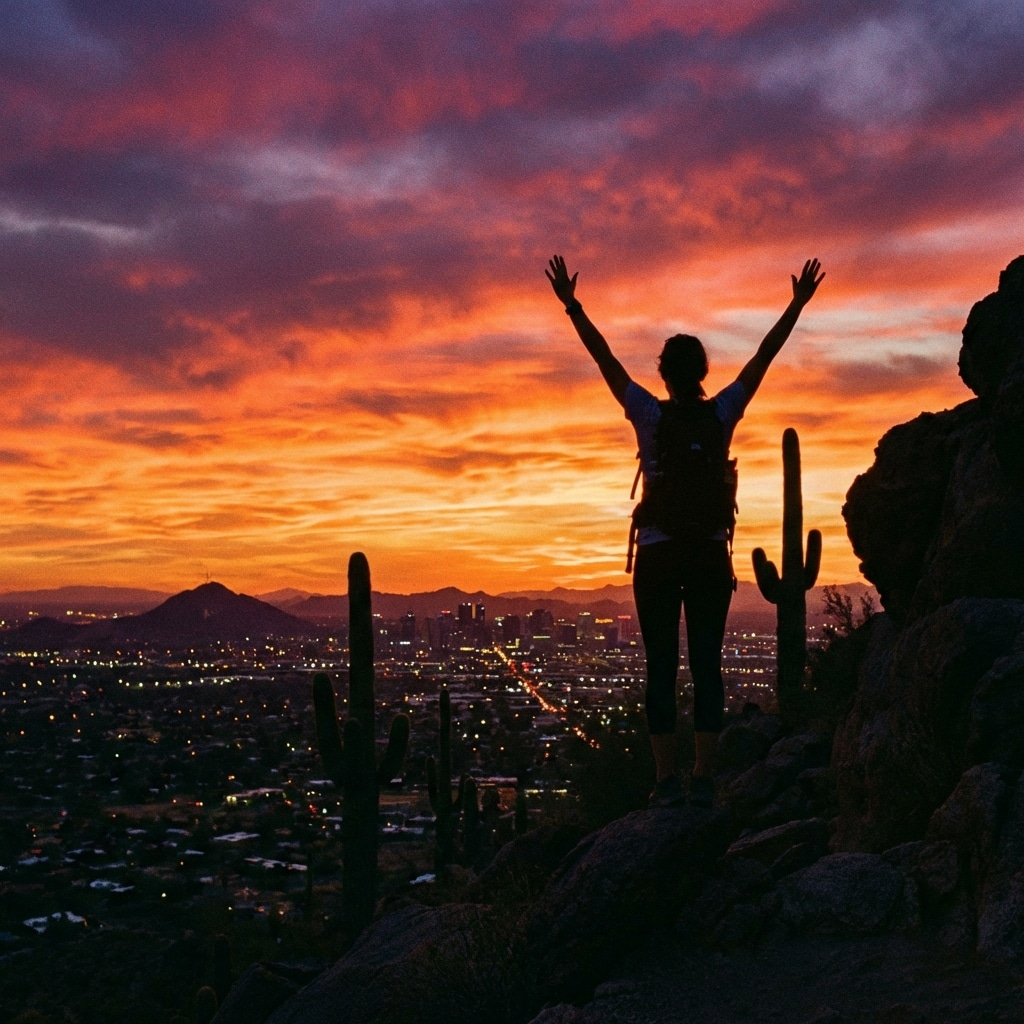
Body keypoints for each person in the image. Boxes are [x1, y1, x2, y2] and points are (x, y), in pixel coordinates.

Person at [545, 254, 824, 808]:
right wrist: (795, 304)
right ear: (701, 371)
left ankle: (664, 779)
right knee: (706, 663)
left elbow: (603, 360)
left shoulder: (648, 414)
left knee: (660, 665)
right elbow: (762, 360)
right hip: (708, 556)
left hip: (657, 554)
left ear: (664, 374)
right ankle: (703, 774)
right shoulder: (721, 413)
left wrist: (573, 306)